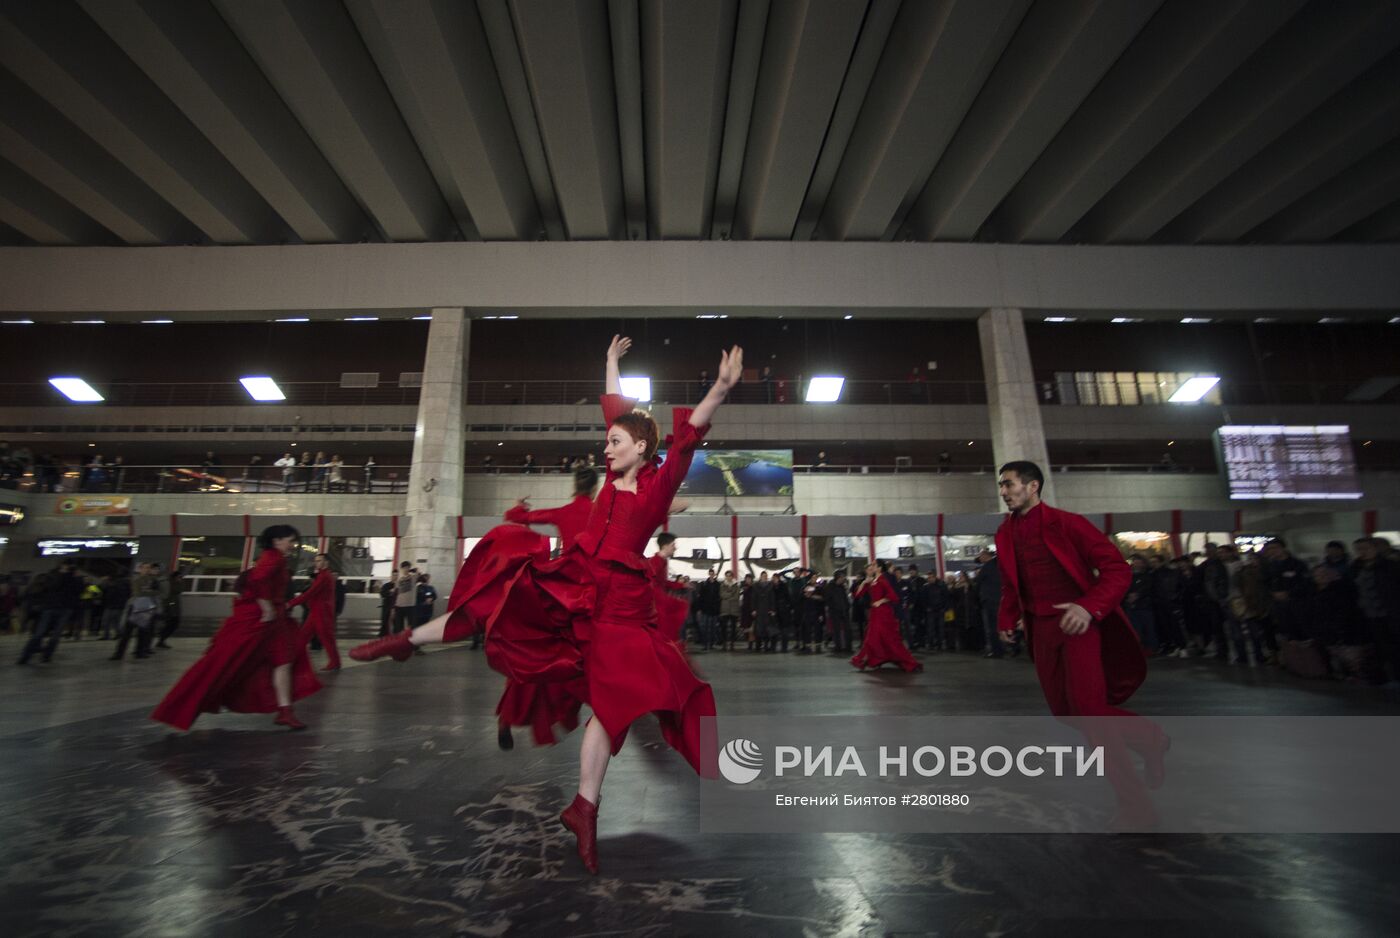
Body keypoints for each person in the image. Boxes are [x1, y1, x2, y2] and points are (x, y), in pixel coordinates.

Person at [349, 334, 739, 874]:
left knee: (612, 706)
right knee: (498, 594)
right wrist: (607, 362)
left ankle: (584, 807)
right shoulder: (611, 475)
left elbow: (687, 439)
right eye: (606, 440)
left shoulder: (654, 490)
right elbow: (618, 407)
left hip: (621, 609)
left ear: (642, 449)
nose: (607, 447)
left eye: (616, 441)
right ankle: (405, 641)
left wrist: (718, 388)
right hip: (576, 580)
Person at [993, 460, 1165, 829]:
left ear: (1033, 486)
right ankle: (1149, 737)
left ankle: (1136, 806)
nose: (1004, 492)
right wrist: (1007, 617)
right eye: (1001, 486)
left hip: (1078, 627)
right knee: (1066, 713)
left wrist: (1089, 607)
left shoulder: (1068, 524)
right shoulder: (1003, 533)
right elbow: (1012, 583)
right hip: (1040, 631)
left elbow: (1118, 569)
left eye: (1009, 484)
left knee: (1091, 715)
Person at [151, 525, 321, 731]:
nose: (293, 545)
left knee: (281, 662)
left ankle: (285, 711)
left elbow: (256, 580)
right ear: (277, 540)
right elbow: (258, 580)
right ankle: (185, 706)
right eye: (290, 540)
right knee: (228, 662)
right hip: (260, 621)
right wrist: (266, 607)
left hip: (273, 620)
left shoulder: (276, 558)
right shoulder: (273, 557)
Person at [483, 467, 600, 749]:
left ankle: (507, 719)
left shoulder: (562, 512)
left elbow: (516, 517)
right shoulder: (600, 512)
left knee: (537, 654)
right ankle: (565, 712)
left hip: (559, 590)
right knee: (582, 659)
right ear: (595, 489)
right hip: (590, 593)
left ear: (575, 485)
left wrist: (521, 504)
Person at [850, 560, 921, 672]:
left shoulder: (883, 580)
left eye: (873, 565)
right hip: (875, 613)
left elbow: (893, 596)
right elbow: (857, 594)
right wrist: (864, 582)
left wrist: (881, 601)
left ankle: (908, 662)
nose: (871, 567)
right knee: (874, 638)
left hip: (883, 613)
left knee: (887, 639)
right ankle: (870, 659)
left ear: (879, 568)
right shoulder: (872, 581)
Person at [290, 553, 340, 671]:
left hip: (321, 611)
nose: (316, 563)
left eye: (319, 560)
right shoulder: (324, 575)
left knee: (324, 637)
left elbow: (310, 593)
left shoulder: (324, 576)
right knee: (304, 635)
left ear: (326, 562)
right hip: (318, 611)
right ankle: (293, 659)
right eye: (316, 560)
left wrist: (291, 603)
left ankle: (335, 662)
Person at [974, 550, 1004, 658]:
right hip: (998, 599)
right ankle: (1001, 648)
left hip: (990, 601)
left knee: (991, 627)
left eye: (980, 556)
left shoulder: (987, 566)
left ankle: (996, 650)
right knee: (998, 625)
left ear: (985, 556)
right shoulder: (996, 566)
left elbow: (978, 581)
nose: (979, 558)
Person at [155, 568, 185, 648]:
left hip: (174, 607)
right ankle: (161, 639)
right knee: (171, 624)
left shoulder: (174, 583)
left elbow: (180, 590)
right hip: (171, 608)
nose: (180, 579)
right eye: (179, 577)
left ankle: (161, 639)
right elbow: (178, 590)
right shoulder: (171, 583)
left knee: (173, 624)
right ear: (175, 577)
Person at [824, 570, 852, 654]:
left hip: (844, 611)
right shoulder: (829, 587)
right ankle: (838, 647)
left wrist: (847, 607)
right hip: (835, 612)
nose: (844, 579)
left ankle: (847, 646)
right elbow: (827, 599)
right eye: (843, 577)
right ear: (838, 577)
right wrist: (832, 608)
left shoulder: (842, 587)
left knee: (847, 629)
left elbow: (845, 598)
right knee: (836, 630)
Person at [719, 569, 741, 651]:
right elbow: (722, 595)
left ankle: (732, 644)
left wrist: (727, 596)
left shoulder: (736, 585)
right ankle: (724, 644)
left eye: (730, 576)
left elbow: (736, 596)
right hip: (725, 609)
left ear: (732, 577)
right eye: (727, 576)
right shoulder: (722, 585)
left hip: (734, 609)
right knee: (724, 628)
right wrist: (731, 594)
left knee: (733, 628)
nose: (728, 577)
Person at [392, 562, 417, 632]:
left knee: (412, 625)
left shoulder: (413, 577)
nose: (405, 569)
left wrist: (413, 570)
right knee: (399, 625)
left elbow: (418, 572)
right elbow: (396, 593)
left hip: (410, 605)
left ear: (409, 568)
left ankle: (411, 640)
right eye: (404, 568)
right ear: (401, 569)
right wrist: (393, 607)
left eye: (407, 567)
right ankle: (400, 639)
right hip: (399, 605)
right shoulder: (399, 580)